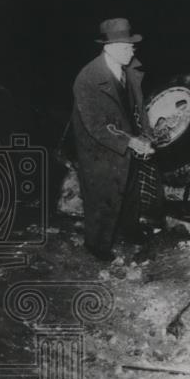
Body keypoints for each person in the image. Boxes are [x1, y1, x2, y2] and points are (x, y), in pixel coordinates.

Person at [71, 18, 156, 261]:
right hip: (98, 148)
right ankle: (97, 246)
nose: (132, 50)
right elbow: (95, 126)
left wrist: (146, 136)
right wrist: (130, 142)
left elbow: (137, 108)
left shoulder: (127, 69)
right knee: (103, 195)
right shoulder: (87, 78)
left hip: (125, 140)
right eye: (127, 46)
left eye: (132, 46)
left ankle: (130, 231)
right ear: (110, 48)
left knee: (129, 190)